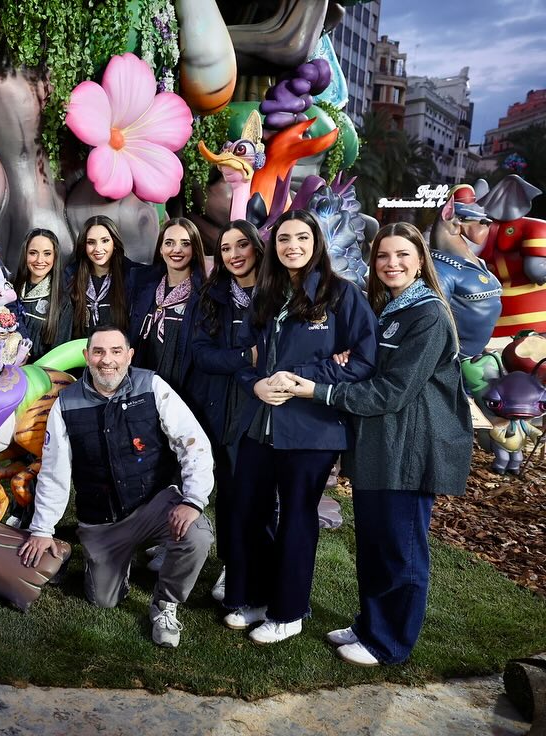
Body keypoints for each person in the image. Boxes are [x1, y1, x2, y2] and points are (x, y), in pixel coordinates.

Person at [281, 222, 472, 666]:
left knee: (400, 549)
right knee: (374, 543)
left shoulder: (428, 315)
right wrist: (347, 358)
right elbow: (370, 365)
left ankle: (389, 643)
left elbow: (392, 391)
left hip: (408, 449)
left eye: (403, 255)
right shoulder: (389, 310)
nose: (392, 264)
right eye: (383, 255)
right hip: (379, 446)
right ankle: (370, 623)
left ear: (420, 260)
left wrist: (320, 390)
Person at [223, 209, 377, 645]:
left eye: (302, 238)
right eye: (284, 239)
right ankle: (253, 596)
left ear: (317, 243)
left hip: (312, 428)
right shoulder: (267, 294)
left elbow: (363, 361)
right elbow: (245, 356)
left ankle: (288, 612)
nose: (292, 246)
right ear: (274, 247)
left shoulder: (342, 295)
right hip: (262, 422)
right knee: (249, 510)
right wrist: (256, 385)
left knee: (296, 517)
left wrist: (305, 378)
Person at [18, 324, 215, 648]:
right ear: (87, 356)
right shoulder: (66, 404)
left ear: (129, 356)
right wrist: (42, 529)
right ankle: (96, 559)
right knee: (104, 600)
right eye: (98, 352)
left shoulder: (152, 386)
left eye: (115, 351)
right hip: (102, 519)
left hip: (153, 504)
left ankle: (165, 604)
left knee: (197, 536)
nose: (106, 360)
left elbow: (193, 443)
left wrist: (193, 500)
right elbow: (54, 473)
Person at [189, 219, 264, 601]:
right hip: (219, 409)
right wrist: (245, 357)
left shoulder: (275, 296)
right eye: (226, 248)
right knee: (228, 492)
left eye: (241, 245)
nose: (234, 254)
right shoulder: (214, 295)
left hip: (261, 410)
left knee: (256, 497)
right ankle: (229, 564)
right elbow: (202, 354)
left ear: (256, 248)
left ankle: (251, 567)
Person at [130, 217, 208, 398]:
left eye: (185, 244)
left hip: (182, 392)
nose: (176, 250)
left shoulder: (205, 296)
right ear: (160, 249)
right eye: (169, 243)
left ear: (195, 249)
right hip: (141, 388)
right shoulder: (144, 288)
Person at [64, 216, 137, 338]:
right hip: (81, 348)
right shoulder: (70, 276)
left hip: (118, 348)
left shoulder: (132, 276)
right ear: (84, 246)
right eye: (91, 242)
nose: (98, 249)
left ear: (114, 243)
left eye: (105, 241)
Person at [11, 227, 66, 362]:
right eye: (33, 253)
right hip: (4, 370)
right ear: (25, 255)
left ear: (55, 256)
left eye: (47, 254)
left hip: (39, 372)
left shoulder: (62, 301)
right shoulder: (9, 288)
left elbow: (59, 356)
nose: (39, 260)